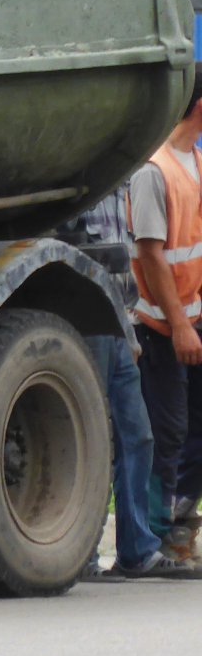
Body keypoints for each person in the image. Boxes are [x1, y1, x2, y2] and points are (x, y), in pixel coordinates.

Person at [57, 186, 168, 579]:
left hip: (119, 324)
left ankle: (137, 550)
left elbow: (122, 265)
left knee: (137, 436)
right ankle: (82, 552)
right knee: (92, 439)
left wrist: (129, 330)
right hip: (89, 323)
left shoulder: (125, 185)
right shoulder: (91, 185)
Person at [130, 79, 202, 573]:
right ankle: (156, 537)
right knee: (169, 431)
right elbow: (152, 256)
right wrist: (179, 326)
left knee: (192, 427)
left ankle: (180, 518)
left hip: (193, 317)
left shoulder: (195, 163)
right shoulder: (154, 171)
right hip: (160, 326)